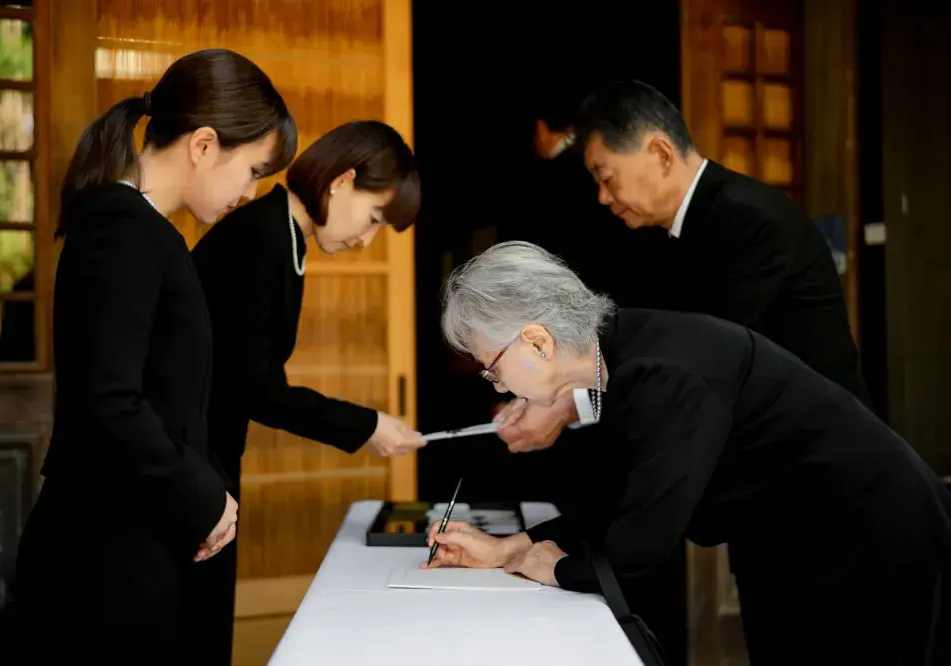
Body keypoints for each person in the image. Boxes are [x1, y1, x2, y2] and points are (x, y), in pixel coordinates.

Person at [430, 241, 951, 665]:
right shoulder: (619, 356)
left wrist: (556, 568)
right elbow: (623, 501)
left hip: (869, 532)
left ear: (538, 341)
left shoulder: (662, 375)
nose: (498, 386)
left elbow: (639, 547)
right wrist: (510, 549)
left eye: (492, 368)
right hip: (802, 535)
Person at [14, 48, 298, 664]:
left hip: (135, 544)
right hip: (102, 557)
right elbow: (109, 402)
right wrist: (204, 497)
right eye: (252, 170)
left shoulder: (148, 231)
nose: (250, 192)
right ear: (203, 145)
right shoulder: (122, 228)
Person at [495, 79, 873, 454]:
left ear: (661, 153)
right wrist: (564, 395)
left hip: (826, 448)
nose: (602, 196)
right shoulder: (678, 227)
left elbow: (705, 356)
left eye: (606, 177)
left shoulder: (747, 222)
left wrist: (570, 404)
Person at [190, 119, 425, 661]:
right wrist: (366, 425)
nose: (365, 240)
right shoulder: (263, 236)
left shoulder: (284, 235)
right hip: (191, 462)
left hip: (210, 455)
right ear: (342, 181)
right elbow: (257, 387)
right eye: (373, 218)